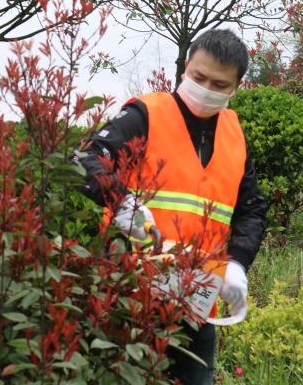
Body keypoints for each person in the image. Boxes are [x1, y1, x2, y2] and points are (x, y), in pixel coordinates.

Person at [74, 29, 268, 384]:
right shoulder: (145, 114)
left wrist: (238, 262)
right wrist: (121, 204)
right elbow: (85, 158)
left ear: (237, 87)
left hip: (197, 303)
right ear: (184, 68)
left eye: (219, 84)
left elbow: (251, 208)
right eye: (198, 77)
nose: (206, 88)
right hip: (130, 296)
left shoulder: (234, 134)